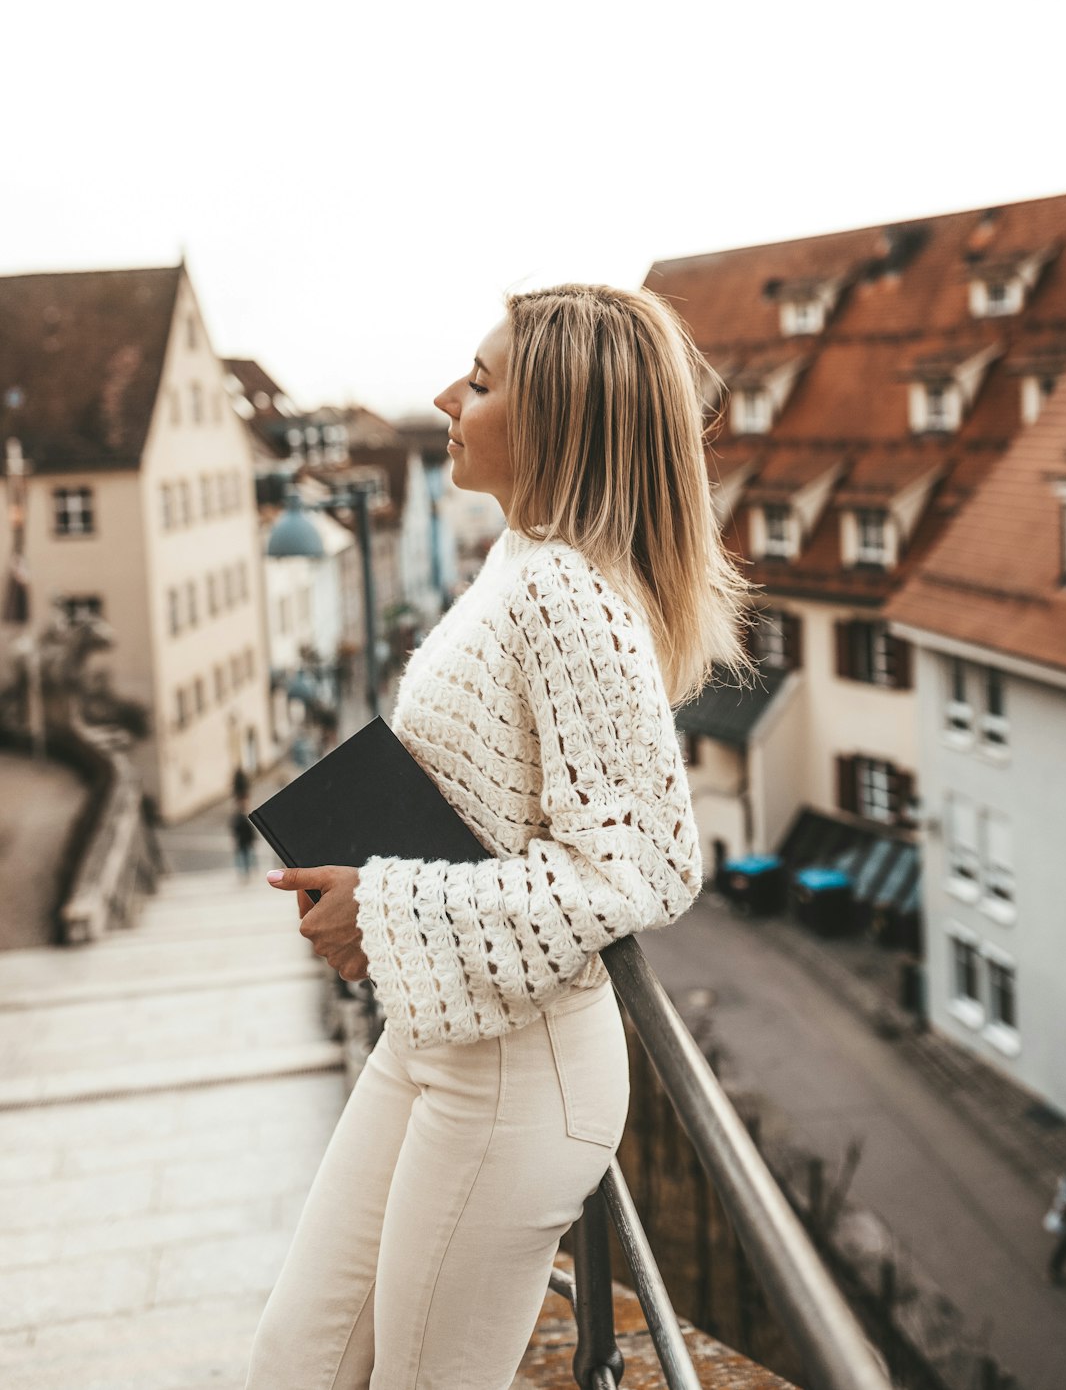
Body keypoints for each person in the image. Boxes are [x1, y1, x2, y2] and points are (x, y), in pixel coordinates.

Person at [245, 284, 753, 1390]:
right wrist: (371, 894)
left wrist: (381, 907)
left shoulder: (571, 594)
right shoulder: (518, 559)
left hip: (519, 1078)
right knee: (296, 1364)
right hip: (434, 1035)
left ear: (563, 417)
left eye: (479, 383)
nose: (445, 398)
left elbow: (643, 864)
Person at [231, 796, 257, 882]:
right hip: (244, 841)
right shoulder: (242, 818)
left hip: (242, 841)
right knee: (246, 857)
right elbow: (249, 830)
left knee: (244, 857)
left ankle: (245, 872)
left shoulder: (237, 818)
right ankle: (246, 872)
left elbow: (235, 829)